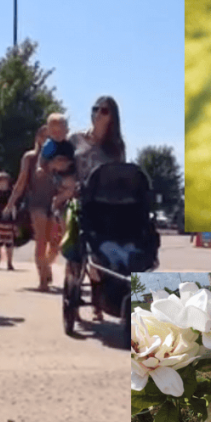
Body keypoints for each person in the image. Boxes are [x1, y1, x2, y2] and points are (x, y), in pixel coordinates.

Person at [65, 95, 127, 320]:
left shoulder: (116, 148)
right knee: (76, 249)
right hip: (80, 200)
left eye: (104, 111)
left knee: (100, 253)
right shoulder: (76, 140)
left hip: (106, 205)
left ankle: (98, 302)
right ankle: (72, 292)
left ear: (112, 117)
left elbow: (121, 177)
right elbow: (65, 168)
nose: (97, 114)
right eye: (95, 109)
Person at [4, 124, 59, 291]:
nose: (46, 140)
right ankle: (43, 279)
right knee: (41, 240)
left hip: (55, 203)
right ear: (37, 138)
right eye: (44, 136)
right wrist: (10, 203)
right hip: (36, 203)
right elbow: (21, 183)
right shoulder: (30, 158)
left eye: (50, 137)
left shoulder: (58, 158)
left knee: (55, 242)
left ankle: (46, 265)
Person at [40, 113, 77, 216]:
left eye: (60, 131)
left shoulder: (69, 145)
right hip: (55, 176)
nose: (57, 134)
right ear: (48, 132)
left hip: (68, 173)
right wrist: (46, 167)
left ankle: (60, 204)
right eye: (54, 131)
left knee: (72, 186)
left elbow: (74, 160)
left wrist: (67, 164)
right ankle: (56, 202)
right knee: (69, 186)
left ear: (67, 131)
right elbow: (42, 161)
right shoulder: (49, 145)